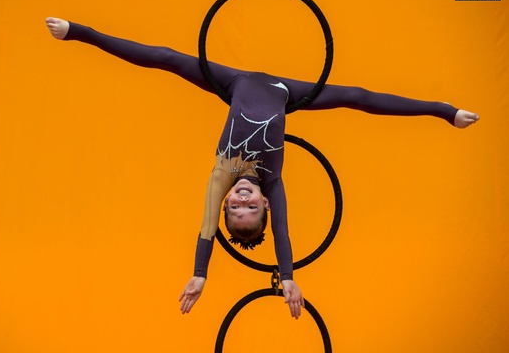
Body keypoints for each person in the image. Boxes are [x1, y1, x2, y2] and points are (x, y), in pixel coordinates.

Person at [45, 17, 479, 319]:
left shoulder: (221, 175)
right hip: (284, 92)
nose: (241, 201)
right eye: (250, 209)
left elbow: (206, 230)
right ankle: (444, 110)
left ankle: (79, 32)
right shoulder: (272, 184)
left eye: (233, 209)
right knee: (357, 97)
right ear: (265, 206)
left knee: (167, 58)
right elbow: (284, 235)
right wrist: (287, 279)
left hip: (235, 83)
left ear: (225, 203)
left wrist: (199, 274)